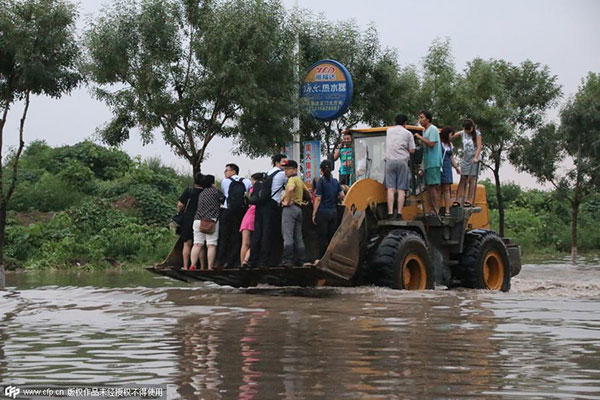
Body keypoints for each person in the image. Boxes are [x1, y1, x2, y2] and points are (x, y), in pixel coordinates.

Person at [248, 154, 288, 267]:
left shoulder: (267, 173)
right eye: (283, 162)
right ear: (276, 162)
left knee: (257, 233)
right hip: (271, 206)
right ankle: (264, 262)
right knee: (268, 233)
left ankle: (252, 260)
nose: (286, 164)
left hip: (260, 205)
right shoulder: (282, 174)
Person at [217, 163, 251, 267]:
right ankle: (232, 261)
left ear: (233, 171)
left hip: (228, 211)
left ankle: (220, 261)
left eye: (226, 170)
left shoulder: (225, 182)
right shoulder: (247, 181)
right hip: (241, 212)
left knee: (224, 236)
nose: (224, 172)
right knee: (237, 237)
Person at [384, 114, 416, 220]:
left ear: (395, 122)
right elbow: (412, 150)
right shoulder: (408, 133)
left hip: (389, 161)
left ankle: (389, 212)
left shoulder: (389, 131)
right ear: (405, 123)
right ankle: (399, 213)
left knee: (390, 189)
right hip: (402, 161)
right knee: (401, 189)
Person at [190, 175, 225, 270]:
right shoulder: (216, 192)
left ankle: (192, 265)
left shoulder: (201, 193)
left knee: (197, 244)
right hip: (210, 221)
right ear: (213, 183)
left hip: (197, 220)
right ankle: (210, 267)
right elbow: (224, 200)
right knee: (211, 244)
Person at [280, 160, 310, 267]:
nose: (285, 171)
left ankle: (287, 260)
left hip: (290, 209)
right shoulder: (299, 180)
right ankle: (301, 260)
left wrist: (286, 202)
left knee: (287, 235)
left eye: (288, 169)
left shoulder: (292, 180)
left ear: (294, 170)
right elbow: (308, 193)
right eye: (285, 169)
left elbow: (290, 189)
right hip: (298, 209)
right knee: (298, 237)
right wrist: (302, 200)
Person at [312, 160, 344, 258]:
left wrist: (314, 213)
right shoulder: (335, 182)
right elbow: (342, 195)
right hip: (333, 212)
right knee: (331, 236)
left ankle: (322, 258)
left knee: (322, 237)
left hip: (323, 212)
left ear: (321, 170)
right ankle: (331, 257)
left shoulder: (321, 182)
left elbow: (318, 198)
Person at [414, 110, 442, 216]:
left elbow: (431, 144)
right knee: (428, 187)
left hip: (433, 162)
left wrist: (420, 137)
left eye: (422, 117)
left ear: (428, 119)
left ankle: (436, 209)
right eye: (419, 118)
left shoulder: (433, 129)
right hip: (427, 162)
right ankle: (430, 208)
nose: (420, 120)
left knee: (433, 186)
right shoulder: (425, 131)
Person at [450, 118, 482, 207]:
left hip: (473, 159)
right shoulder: (462, 133)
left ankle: (469, 200)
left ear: (472, 128)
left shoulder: (477, 134)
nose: (467, 132)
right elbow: (452, 136)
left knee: (472, 179)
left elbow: (479, 147)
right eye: (466, 130)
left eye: (469, 130)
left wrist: (476, 158)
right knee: (463, 178)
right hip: (465, 158)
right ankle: (458, 200)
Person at [177, 172, 203, 270]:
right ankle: (203, 267)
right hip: (201, 218)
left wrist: (180, 212)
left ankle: (185, 266)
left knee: (187, 243)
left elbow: (180, 204)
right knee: (199, 244)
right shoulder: (205, 192)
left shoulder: (189, 190)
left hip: (188, 219)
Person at [239, 172, 263, 267]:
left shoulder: (251, 191)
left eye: (253, 180)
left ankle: (242, 264)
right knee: (254, 242)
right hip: (255, 217)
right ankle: (246, 260)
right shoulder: (261, 189)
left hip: (247, 217)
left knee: (245, 243)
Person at [440, 126, 461, 216]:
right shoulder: (439, 143)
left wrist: (456, 167)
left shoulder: (450, 145)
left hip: (447, 167)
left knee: (446, 188)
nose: (452, 136)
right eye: (451, 134)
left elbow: (451, 157)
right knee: (437, 188)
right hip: (439, 166)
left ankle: (447, 209)